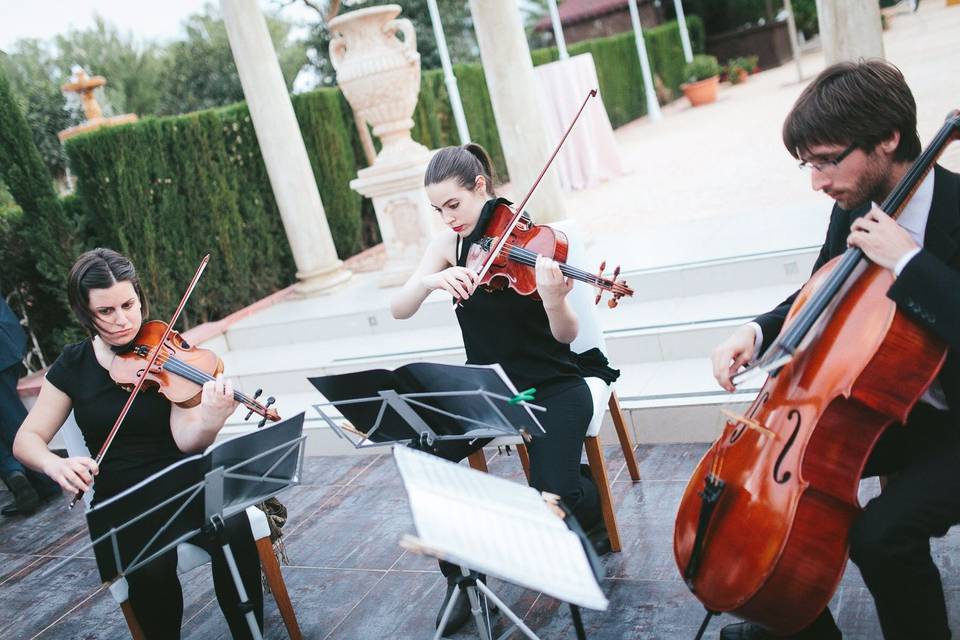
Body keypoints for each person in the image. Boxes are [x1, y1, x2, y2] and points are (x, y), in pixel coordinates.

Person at [710, 60, 960, 639]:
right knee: (771, 490)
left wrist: (910, 263)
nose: (818, 181)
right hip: (901, 405)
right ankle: (797, 621)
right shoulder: (854, 202)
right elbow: (824, 285)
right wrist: (757, 330)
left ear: (889, 138)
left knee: (880, 536)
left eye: (826, 160)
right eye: (809, 164)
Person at [390, 143, 618, 635]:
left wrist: (556, 300)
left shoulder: (531, 241)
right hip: (492, 391)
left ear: (480, 187)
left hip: (552, 384)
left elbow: (566, 336)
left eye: (454, 205)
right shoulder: (447, 245)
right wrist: (433, 280)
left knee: (548, 495)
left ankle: (581, 494)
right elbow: (399, 307)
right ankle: (461, 578)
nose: (448, 218)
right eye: (438, 209)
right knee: (424, 452)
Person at [13, 248, 264, 639]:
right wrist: (54, 464)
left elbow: (186, 440)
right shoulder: (73, 365)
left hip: (183, 480)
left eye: (129, 304)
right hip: (124, 496)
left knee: (233, 526)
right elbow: (26, 439)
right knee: (151, 567)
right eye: (106, 312)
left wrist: (212, 419)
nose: (123, 320)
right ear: (85, 312)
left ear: (140, 298)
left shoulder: (166, 349)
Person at [0, 296, 59, 516]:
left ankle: (45, 481)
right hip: (5, 340)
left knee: (11, 419)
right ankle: (19, 478)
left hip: (2, 349)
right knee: (9, 418)